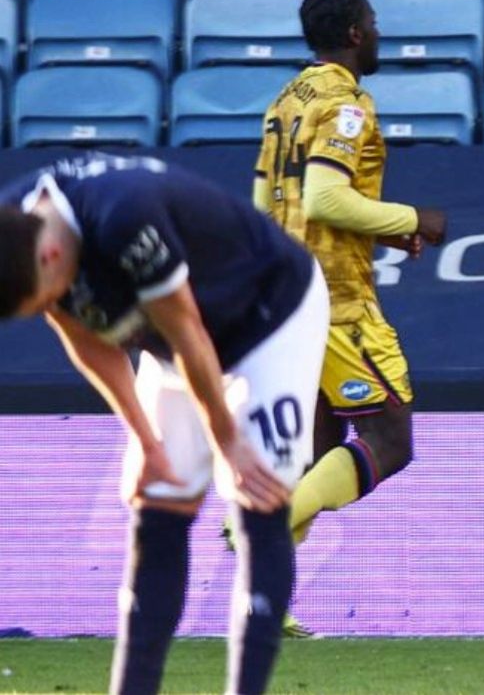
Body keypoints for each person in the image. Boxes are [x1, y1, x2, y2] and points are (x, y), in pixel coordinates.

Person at [0, 153, 328, 695]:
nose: (53, 307)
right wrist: (144, 439)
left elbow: (189, 330)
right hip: (172, 340)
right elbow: (83, 335)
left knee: (258, 491)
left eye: (48, 297)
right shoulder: (16, 226)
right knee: (159, 495)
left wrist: (228, 441)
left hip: (267, 315)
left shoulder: (124, 215)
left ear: (53, 253)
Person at [252, 0, 447, 635]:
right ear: (357, 34)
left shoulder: (288, 99)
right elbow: (326, 200)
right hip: (333, 300)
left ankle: (266, 602)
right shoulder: (345, 106)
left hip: (279, 291)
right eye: (375, 21)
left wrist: (386, 232)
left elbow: (274, 201)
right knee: (390, 441)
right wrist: (416, 217)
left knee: (318, 447)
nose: (379, 31)